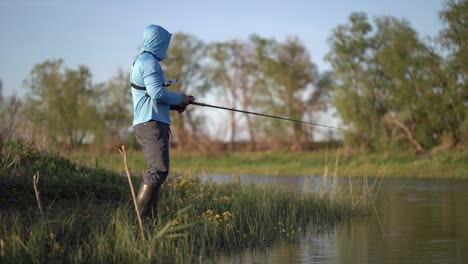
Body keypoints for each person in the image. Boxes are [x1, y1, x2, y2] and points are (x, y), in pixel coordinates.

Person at [130, 24, 192, 219]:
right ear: (157, 42)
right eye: (164, 43)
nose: (166, 47)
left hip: (150, 121)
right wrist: (181, 98)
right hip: (151, 124)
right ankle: (141, 222)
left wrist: (178, 104)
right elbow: (157, 94)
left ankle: (149, 223)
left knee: (156, 171)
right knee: (158, 170)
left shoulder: (143, 61)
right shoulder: (148, 62)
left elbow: (151, 96)